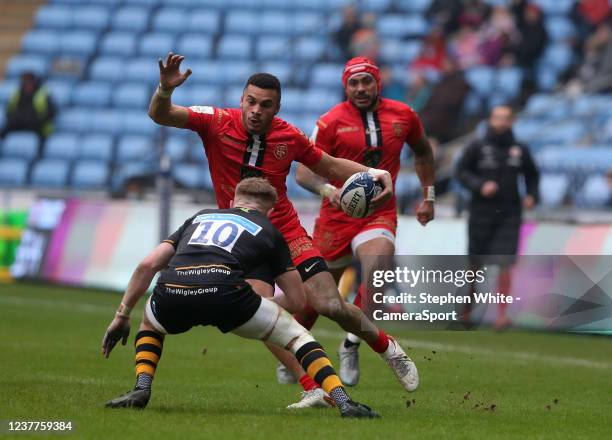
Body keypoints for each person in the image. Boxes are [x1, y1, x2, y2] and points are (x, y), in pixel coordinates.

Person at [147, 53, 418, 409]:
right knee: (259, 313)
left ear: (277, 108)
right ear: (242, 99)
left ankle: (387, 348)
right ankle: (313, 386)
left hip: (285, 231)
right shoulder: (216, 121)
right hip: (240, 238)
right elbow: (160, 114)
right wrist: (164, 90)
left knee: (329, 304)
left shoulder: (289, 136)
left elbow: (330, 165)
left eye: (266, 105)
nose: (257, 110)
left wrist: (373, 174)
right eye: (251, 102)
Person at [101, 178, 379, 418]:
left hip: (173, 287)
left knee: (150, 324)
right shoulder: (270, 231)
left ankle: (141, 388)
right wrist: (259, 310)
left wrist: (121, 315)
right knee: (297, 336)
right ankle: (344, 402)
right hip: (228, 293)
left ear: (233, 200)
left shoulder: (199, 217)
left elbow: (147, 266)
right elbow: (296, 300)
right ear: (270, 210)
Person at [294, 57, 436, 387]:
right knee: (316, 299)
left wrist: (429, 197)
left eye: (366, 82)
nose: (360, 89)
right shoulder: (329, 122)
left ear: (378, 83)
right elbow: (303, 172)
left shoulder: (404, 115)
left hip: (378, 212)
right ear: (345, 86)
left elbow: (424, 152)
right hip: (335, 217)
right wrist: (328, 190)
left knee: (378, 272)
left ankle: (350, 343)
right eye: (353, 83)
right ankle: (297, 351)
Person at [455, 105, 539, 330]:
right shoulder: (477, 146)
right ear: (490, 120)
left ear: (512, 122)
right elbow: (461, 171)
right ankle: (466, 310)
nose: (501, 122)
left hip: (509, 214)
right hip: (481, 212)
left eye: (506, 118)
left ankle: (502, 316)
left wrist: (532, 195)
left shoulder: (519, 149)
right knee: (474, 263)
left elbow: (532, 175)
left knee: (505, 262)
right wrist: (480, 185)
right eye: (497, 118)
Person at [0, 71, 56, 145]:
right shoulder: (17, 93)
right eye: (25, 81)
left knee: (42, 139)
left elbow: (52, 112)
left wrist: (38, 120)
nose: (27, 84)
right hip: (19, 123)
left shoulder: (43, 94)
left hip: (37, 125)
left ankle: (39, 155)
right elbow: (9, 110)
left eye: (29, 81)